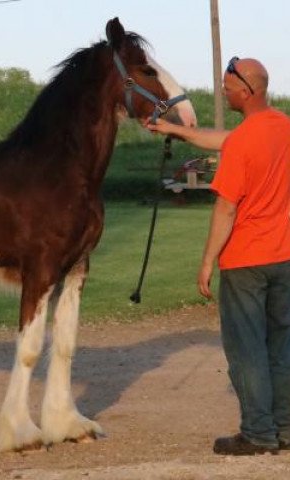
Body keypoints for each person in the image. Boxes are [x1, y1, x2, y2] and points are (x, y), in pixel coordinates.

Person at [146, 57, 290, 455]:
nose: (223, 92)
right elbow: (220, 139)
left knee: (247, 350)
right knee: (281, 344)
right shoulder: (283, 127)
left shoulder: (243, 142)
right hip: (285, 257)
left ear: (247, 90)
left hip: (246, 261)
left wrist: (207, 261)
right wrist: (173, 128)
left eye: (227, 86)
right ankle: (284, 428)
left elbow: (226, 209)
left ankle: (258, 434)